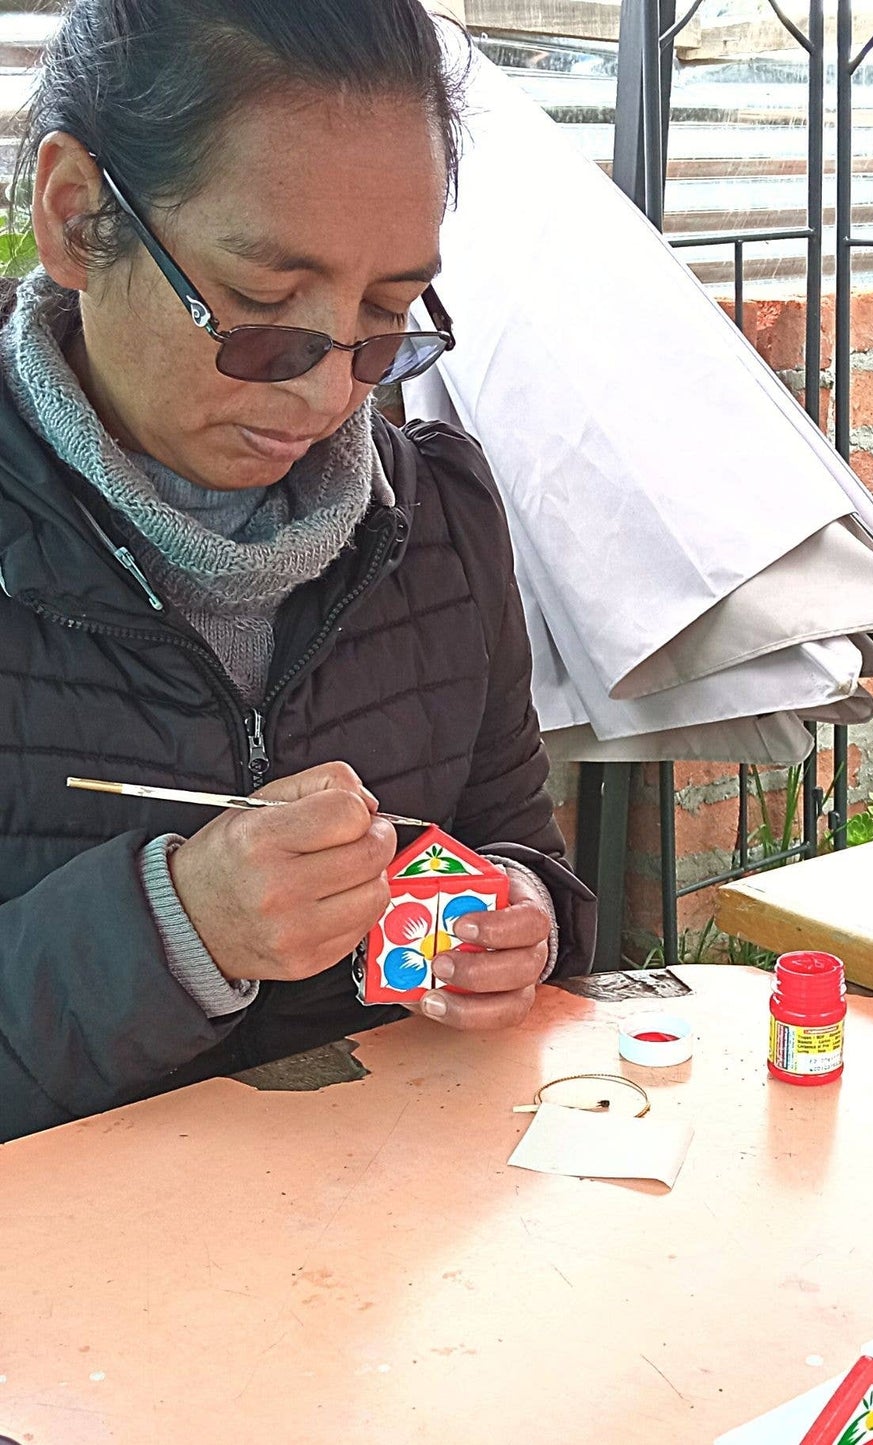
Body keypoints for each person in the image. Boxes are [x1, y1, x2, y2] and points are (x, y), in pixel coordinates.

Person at [0, 0, 596, 1143]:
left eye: (383, 317)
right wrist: (173, 932)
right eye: (265, 310)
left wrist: (517, 922)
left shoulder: (435, 520)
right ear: (78, 218)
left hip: (374, 1248)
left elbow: (517, 844)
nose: (329, 397)